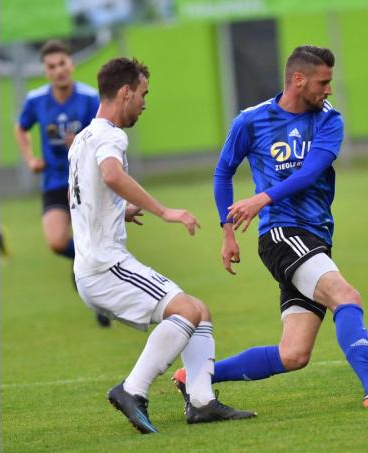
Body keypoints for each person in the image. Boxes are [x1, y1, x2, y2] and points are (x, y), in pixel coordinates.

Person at [172, 45, 368, 408]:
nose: (329, 90)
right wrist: (227, 230)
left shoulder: (329, 120)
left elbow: (309, 173)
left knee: (294, 354)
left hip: (314, 235)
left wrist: (262, 198)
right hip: (280, 233)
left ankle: (196, 377)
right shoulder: (251, 120)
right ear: (298, 79)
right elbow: (223, 171)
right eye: (323, 82)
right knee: (346, 296)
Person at [68, 57, 256, 434]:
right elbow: (111, 174)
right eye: (142, 94)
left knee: (199, 311)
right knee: (185, 310)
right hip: (106, 266)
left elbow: (86, 194)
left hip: (93, 266)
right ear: (125, 93)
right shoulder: (111, 135)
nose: (144, 103)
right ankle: (132, 390)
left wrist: (118, 213)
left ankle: (201, 401)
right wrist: (163, 210)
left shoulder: (82, 139)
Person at [13, 39, 110, 327]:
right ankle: (82, 259)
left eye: (62, 64)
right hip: (55, 179)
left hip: (86, 180)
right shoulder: (36, 100)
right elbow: (20, 128)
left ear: (72, 64)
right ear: (46, 70)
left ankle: (102, 299)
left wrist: (82, 141)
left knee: (97, 241)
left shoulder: (90, 98)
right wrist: (30, 158)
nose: (58, 70)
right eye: (52, 66)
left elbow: (105, 134)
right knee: (57, 242)